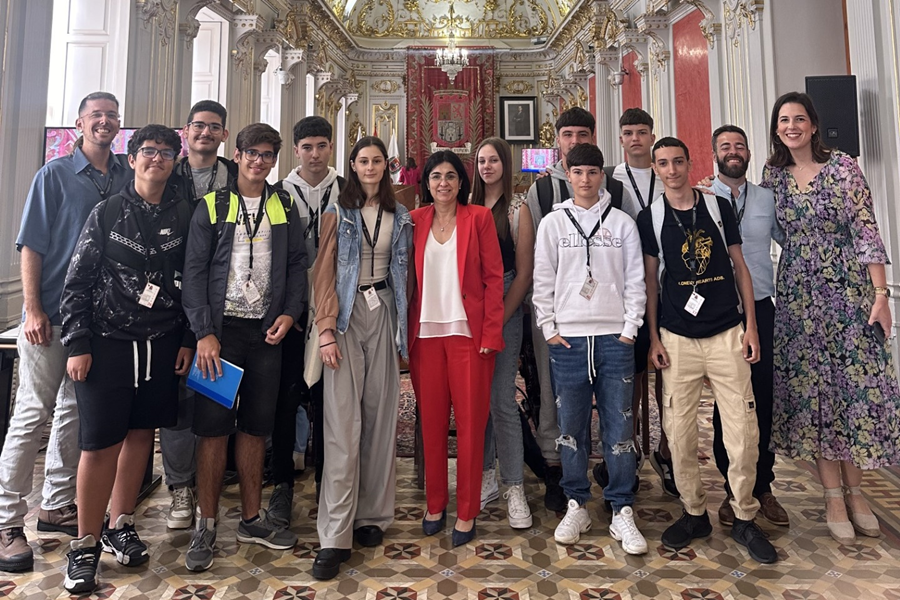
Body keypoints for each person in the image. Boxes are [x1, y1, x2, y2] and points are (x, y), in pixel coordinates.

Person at [0, 91, 132, 573]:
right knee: (33, 411)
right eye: (96, 115)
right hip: (52, 315)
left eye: (112, 116)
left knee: (74, 412)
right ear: (79, 123)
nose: (104, 122)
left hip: (99, 323)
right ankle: (7, 519)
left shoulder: (124, 174)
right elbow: (32, 243)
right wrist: (32, 308)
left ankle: (56, 504)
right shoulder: (53, 175)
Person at [59, 125, 195, 594]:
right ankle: (84, 545)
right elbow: (77, 282)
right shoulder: (108, 212)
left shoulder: (185, 214)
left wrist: (188, 339)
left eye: (165, 153)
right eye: (148, 152)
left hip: (161, 343)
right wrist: (78, 343)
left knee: (142, 435)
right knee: (99, 444)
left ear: (175, 161)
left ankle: (121, 523)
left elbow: (192, 283)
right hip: (107, 342)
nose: (156, 159)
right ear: (133, 159)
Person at [760, 92, 900, 544]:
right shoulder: (773, 176)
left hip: (847, 288)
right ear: (777, 128)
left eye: (800, 118)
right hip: (799, 294)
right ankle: (832, 496)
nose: (792, 126)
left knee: (851, 390)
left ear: (814, 125)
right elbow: (764, 226)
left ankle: (857, 493)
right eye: (784, 120)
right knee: (811, 393)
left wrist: (880, 295)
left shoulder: (843, 167)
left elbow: (866, 228)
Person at [637, 137, 778, 565]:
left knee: (742, 431)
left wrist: (751, 326)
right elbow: (649, 281)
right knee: (678, 433)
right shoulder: (651, 216)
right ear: (657, 170)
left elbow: (741, 267)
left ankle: (744, 515)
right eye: (663, 164)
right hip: (677, 336)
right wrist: (656, 337)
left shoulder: (717, 207)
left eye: (678, 161)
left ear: (689, 162)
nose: (672, 169)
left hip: (726, 332)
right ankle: (694, 511)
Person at [182, 123, 307, 571]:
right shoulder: (213, 206)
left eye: (267, 155)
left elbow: (296, 265)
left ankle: (252, 517)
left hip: (266, 334)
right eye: (252, 153)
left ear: (275, 160)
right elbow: (194, 272)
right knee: (213, 427)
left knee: (257, 426)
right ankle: (207, 521)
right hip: (221, 335)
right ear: (237, 155)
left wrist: (290, 313)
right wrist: (203, 332)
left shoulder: (283, 203)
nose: (259, 161)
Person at [532, 143, 648, 554]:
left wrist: (630, 328)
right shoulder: (552, 223)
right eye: (578, 172)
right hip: (568, 338)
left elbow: (636, 279)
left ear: (602, 176)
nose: (585, 180)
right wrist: (548, 328)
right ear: (567, 173)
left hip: (615, 337)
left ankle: (621, 508)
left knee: (619, 428)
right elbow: (542, 279)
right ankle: (576, 500)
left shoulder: (621, 224)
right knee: (571, 428)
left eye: (592, 172)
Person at [310, 136, 412, 580]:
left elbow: (404, 273)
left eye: (376, 161)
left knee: (380, 417)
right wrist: (326, 330)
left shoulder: (400, 214)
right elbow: (324, 272)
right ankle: (334, 533)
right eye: (362, 161)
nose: (370, 167)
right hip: (347, 319)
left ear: (385, 167)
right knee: (342, 423)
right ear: (351, 166)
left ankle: (372, 515)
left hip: (384, 312)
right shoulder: (338, 212)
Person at [524, 107, 631, 512]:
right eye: (567, 135)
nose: (574, 142)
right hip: (559, 312)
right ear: (557, 141)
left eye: (582, 135)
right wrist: (546, 319)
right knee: (557, 395)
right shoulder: (541, 192)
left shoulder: (616, 191)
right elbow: (537, 259)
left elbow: (631, 256)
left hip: (609, 317)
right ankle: (559, 471)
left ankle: (615, 474)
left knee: (612, 400)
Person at [409, 150, 504, 547]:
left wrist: (490, 334)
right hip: (425, 335)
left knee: (470, 425)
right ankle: (435, 503)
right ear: (426, 183)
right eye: (436, 177)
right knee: (431, 423)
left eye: (450, 176)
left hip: (469, 336)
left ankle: (467, 511)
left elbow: (495, 279)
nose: (443, 183)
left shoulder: (478, 218)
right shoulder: (413, 221)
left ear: (461, 183)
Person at [706, 125, 790, 529]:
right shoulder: (703, 199)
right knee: (728, 402)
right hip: (721, 310)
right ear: (714, 154)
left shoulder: (767, 199)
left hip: (762, 305)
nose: (733, 152)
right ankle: (730, 487)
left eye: (740, 146)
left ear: (749, 152)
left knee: (763, 397)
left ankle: (763, 486)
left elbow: (790, 241)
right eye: (726, 147)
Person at [161, 99, 237, 531]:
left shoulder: (236, 177)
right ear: (185, 130)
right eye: (198, 126)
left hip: (222, 305)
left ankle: (210, 480)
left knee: (214, 396)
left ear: (224, 135)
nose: (205, 133)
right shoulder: (168, 173)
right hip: (170, 304)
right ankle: (179, 487)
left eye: (214, 127)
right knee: (178, 401)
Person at [270, 116, 346, 525]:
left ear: (330, 148)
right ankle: (282, 483)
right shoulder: (280, 193)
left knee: (329, 400)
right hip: (291, 308)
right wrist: (288, 306)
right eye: (307, 147)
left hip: (333, 307)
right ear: (296, 150)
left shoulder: (345, 190)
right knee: (286, 398)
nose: (315, 154)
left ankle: (328, 483)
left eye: (321, 146)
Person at [599, 107, 673, 498]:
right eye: (628, 133)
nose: (635, 139)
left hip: (669, 287)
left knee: (670, 375)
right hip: (626, 290)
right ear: (622, 138)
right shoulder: (609, 179)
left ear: (651, 135)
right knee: (629, 378)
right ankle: (626, 448)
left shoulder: (667, 173)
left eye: (642, 132)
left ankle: (666, 448)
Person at [471, 137, 534, 528]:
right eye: (481, 160)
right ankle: (486, 475)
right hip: (470, 307)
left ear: (505, 165)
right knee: (477, 397)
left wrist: (499, 317)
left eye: (493, 160)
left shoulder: (516, 208)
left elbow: (524, 272)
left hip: (506, 305)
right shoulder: (468, 206)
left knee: (502, 400)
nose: (487, 166)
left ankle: (514, 485)